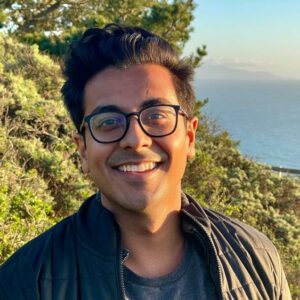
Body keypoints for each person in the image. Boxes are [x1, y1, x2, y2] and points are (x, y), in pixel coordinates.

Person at [0, 24, 291, 300]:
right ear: (84, 150)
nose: (136, 140)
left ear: (189, 137)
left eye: (156, 116)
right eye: (108, 122)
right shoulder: (26, 282)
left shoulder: (256, 257)